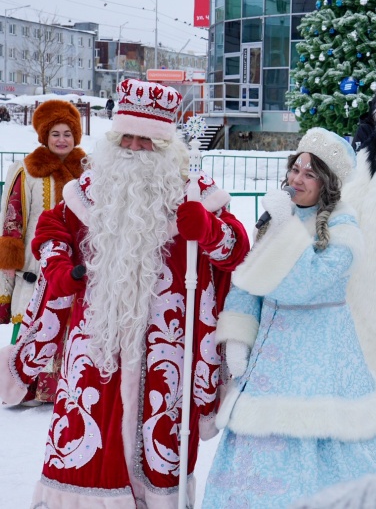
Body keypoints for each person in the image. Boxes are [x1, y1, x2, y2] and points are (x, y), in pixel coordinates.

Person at [0, 78, 250, 507]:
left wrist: (209, 229)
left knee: (161, 443)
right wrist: (59, 266)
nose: (134, 148)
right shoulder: (89, 189)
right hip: (96, 343)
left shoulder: (198, 193)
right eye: (126, 138)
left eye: (146, 140)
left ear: (167, 146)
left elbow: (236, 251)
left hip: (166, 349)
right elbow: (52, 229)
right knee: (84, 439)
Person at [203, 127, 376, 508]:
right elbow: (251, 279)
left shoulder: (344, 229)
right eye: (295, 169)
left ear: (327, 183)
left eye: (309, 174)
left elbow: (303, 285)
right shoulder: (276, 219)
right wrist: (239, 334)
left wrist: (285, 227)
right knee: (261, 432)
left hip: (321, 356)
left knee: (326, 432)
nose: (297, 179)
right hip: (271, 362)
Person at [0, 99, 86, 403]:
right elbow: (13, 217)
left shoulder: (87, 172)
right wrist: (9, 261)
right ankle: (22, 386)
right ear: (44, 137)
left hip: (74, 264)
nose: (62, 140)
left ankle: (62, 387)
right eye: (55, 134)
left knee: (69, 323)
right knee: (33, 319)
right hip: (35, 265)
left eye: (67, 134)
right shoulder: (28, 171)